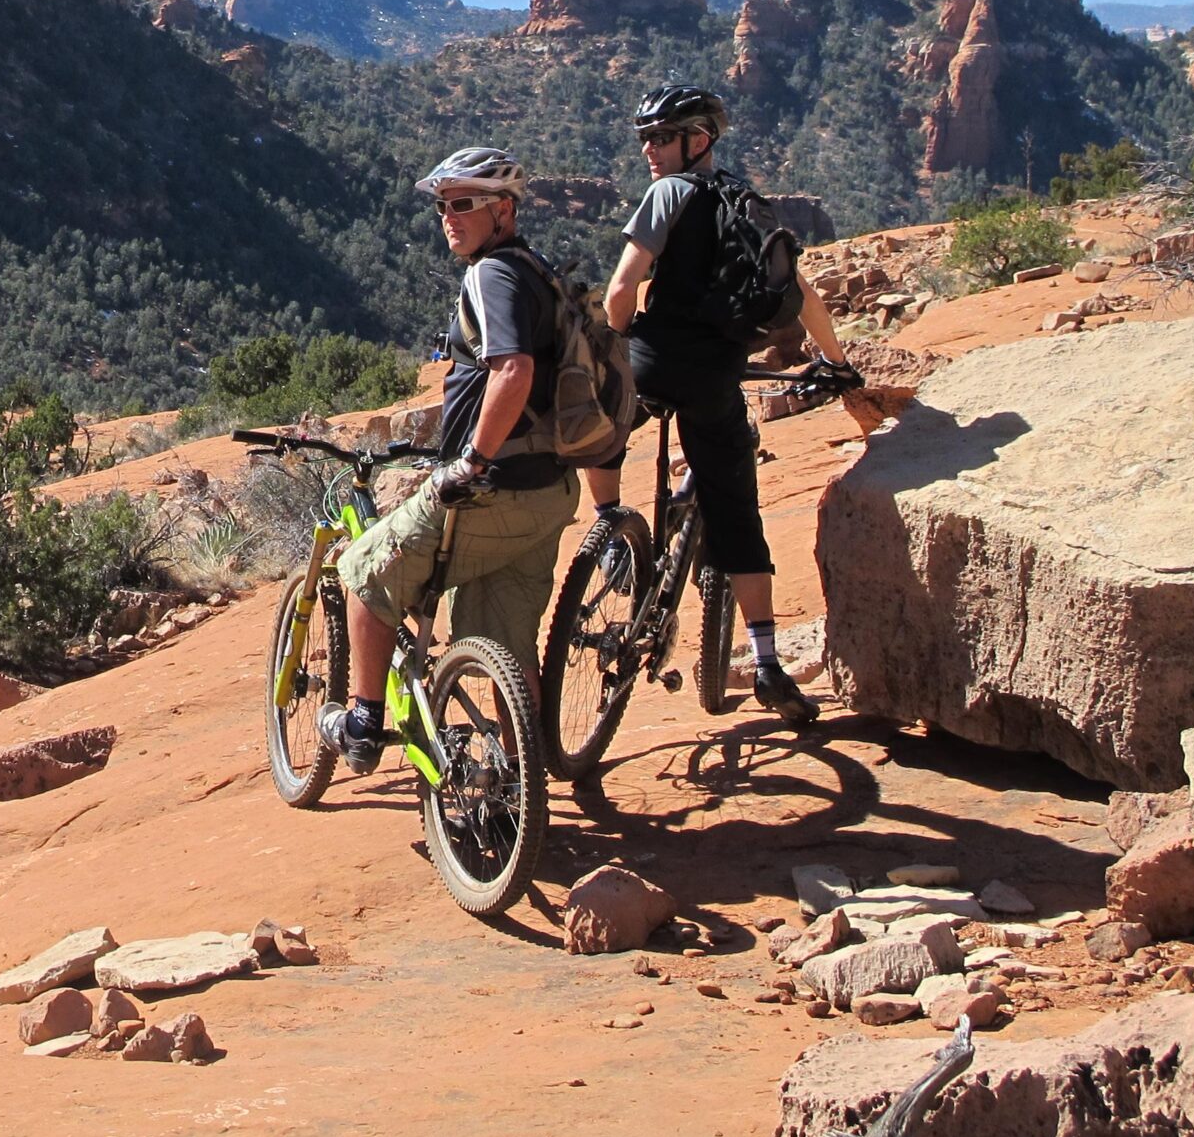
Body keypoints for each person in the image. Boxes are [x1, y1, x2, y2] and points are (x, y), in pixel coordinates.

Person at [582, 85, 853, 727]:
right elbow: (802, 296)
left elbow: (622, 290)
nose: (649, 149)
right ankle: (764, 661)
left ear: (696, 140)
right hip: (717, 373)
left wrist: (614, 342)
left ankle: (612, 531)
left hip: (654, 359)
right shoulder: (746, 204)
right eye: (645, 137)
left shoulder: (666, 195)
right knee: (737, 511)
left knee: (597, 425)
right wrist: (835, 360)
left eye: (661, 137)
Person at [319, 146, 582, 775]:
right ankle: (521, 788)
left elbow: (512, 371)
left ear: (504, 209)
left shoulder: (490, 274)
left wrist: (470, 462)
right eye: (443, 204)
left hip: (493, 491)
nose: (448, 216)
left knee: (360, 571)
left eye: (464, 203)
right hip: (547, 489)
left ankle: (361, 722)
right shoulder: (537, 272)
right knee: (503, 646)